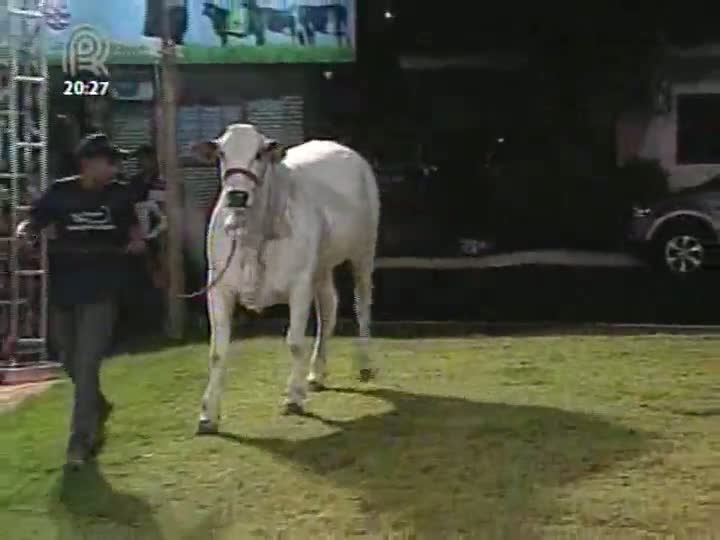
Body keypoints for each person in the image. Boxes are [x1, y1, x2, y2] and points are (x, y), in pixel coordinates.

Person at [16, 133, 147, 468]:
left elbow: (135, 229)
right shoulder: (61, 192)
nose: (116, 167)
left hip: (103, 288)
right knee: (69, 359)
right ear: (88, 163)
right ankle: (98, 406)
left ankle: (79, 443)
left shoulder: (119, 195)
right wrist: (25, 234)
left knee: (87, 364)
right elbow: (33, 220)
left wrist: (136, 242)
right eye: (110, 161)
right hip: (65, 288)